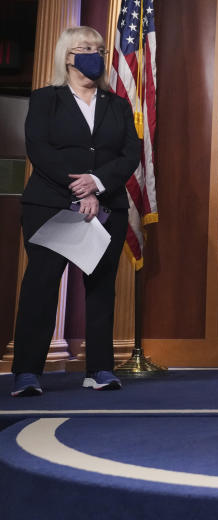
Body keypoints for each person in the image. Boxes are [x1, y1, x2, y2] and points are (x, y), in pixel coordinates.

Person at [11, 26, 140, 397]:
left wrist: (97, 184)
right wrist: (78, 188)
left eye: (99, 50)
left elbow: (129, 154)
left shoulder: (117, 104)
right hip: (50, 205)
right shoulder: (44, 99)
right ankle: (27, 372)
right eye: (85, 48)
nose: (94, 55)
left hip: (106, 206)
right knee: (41, 286)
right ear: (68, 56)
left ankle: (99, 368)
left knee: (100, 289)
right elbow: (39, 149)